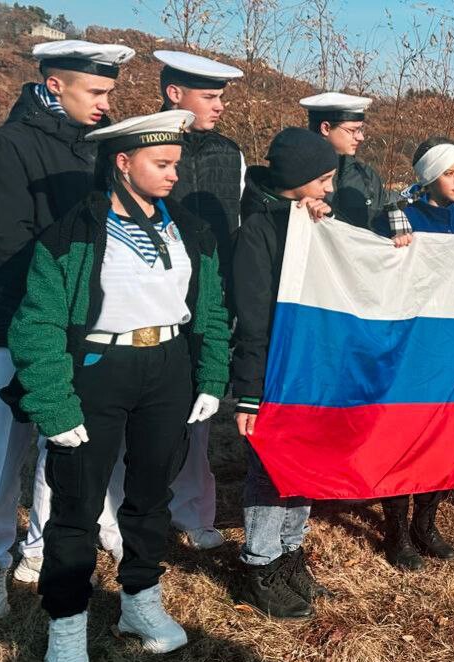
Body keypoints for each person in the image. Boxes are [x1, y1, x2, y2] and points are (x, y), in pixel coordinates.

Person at [8, 109, 231, 662]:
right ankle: (67, 626)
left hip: (167, 371)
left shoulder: (190, 230)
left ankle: (139, 599)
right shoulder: (73, 234)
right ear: (122, 163)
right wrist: (55, 405)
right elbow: (38, 324)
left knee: (150, 495)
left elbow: (207, 306)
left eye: (176, 165)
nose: (173, 176)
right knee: (76, 506)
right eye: (161, 165)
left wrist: (209, 377)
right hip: (98, 372)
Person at [0, 40, 134, 599]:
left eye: (109, 92)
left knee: (68, 443)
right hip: (12, 327)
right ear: (55, 84)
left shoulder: (99, 146)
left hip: (79, 325)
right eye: (96, 91)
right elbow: (9, 245)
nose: (105, 102)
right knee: (4, 458)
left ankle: (44, 546)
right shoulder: (11, 147)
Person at [375, 139, 454, 560]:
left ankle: (425, 524)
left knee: (443, 436)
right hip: (413, 346)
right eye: (448, 174)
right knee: (405, 436)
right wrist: (391, 248)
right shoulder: (403, 219)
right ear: (429, 177)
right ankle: (395, 532)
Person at [231, 128, 341, 620]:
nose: (330, 190)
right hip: (275, 369)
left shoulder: (312, 220)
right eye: (323, 180)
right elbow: (252, 319)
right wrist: (249, 394)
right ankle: (260, 562)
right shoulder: (258, 230)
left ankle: (291, 550)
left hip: (312, 368)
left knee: (304, 461)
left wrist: (322, 227)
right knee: (270, 467)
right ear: (296, 180)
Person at [155, 49, 245, 552]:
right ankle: (121, 509)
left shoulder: (230, 153)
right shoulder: (142, 143)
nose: (219, 106)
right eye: (209, 97)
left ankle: (192, 510)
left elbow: (236, 225)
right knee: (138, 410)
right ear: (174, 94)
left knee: (201, 407)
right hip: (153, 295)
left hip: (209, 298)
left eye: (220, 97)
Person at [300, 92, 409, 239]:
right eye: (352, 130)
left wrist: (398, 234)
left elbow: (378, 225)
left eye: (360, 130)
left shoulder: (366, 176)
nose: (361, 137)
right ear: (325, 128)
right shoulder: (297, 175)